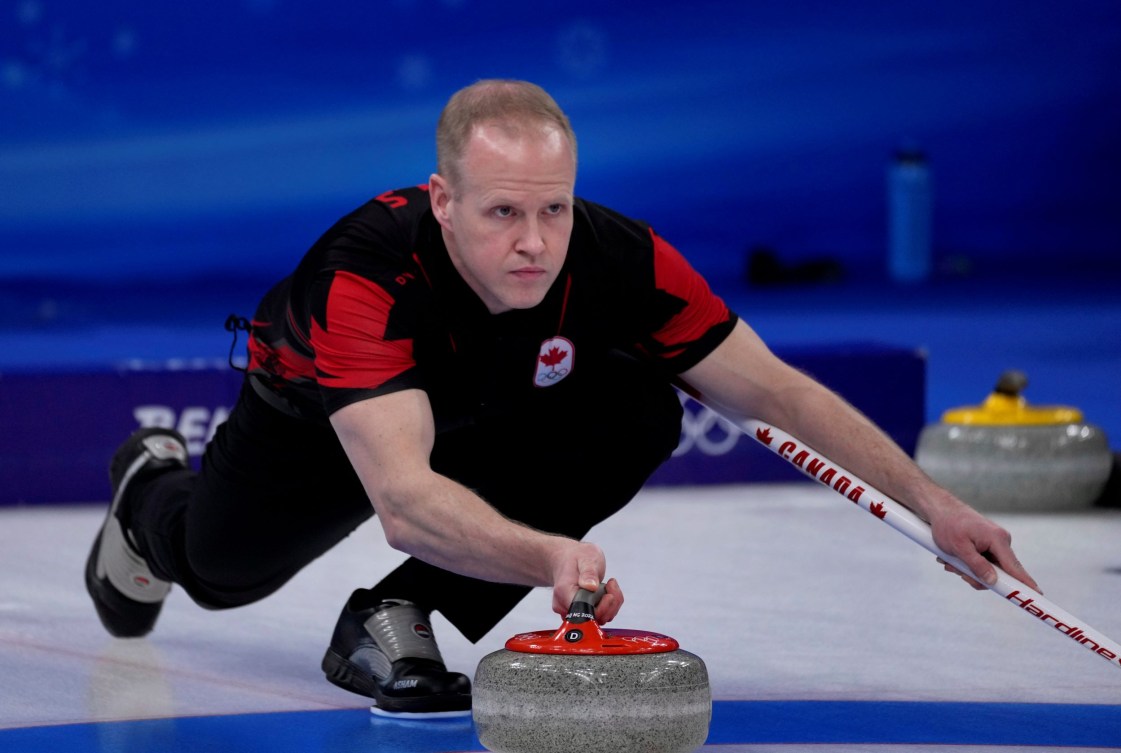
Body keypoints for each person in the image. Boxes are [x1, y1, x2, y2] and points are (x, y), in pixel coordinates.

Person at [85, 79, 1039, 716]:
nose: (535, 241)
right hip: (325, 426)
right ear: (443, 200)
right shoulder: (364, 277)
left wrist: (937, 505)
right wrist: (545, 554)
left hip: (475, 412)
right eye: (502, 211)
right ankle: (149, 491)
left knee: (640, 404)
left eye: (554, 207)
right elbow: (405, 503)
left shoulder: (620, 255)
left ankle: (401, 620)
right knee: (218, 573)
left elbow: (777, 392)